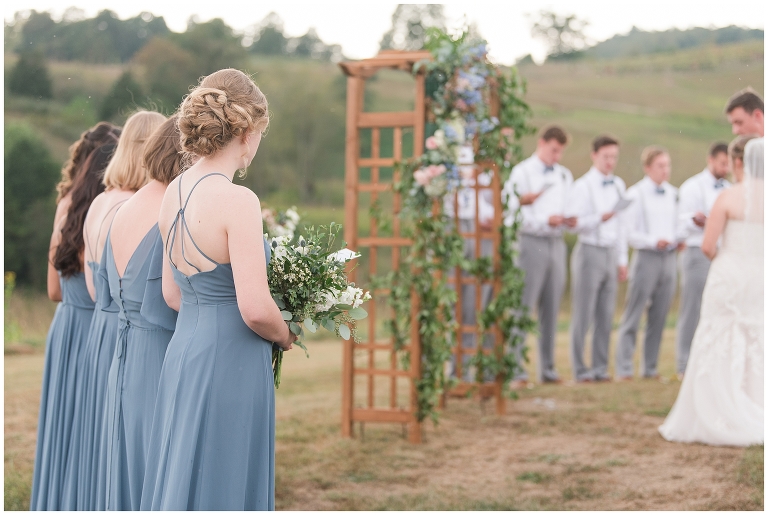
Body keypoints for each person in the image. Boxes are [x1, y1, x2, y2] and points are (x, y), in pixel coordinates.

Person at [141, 69, 296, 510]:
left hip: (182, 355)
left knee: (186, 471)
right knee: (225, 477)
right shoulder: (238, 201)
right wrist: (285, 334)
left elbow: (173, 295)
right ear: (246, 132)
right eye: (261, 133)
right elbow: (254, 308)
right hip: (231, 361)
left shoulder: (173, 192)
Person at [61, 111, 165, 510]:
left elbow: (92, 287)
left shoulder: (101, 202)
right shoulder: (138, 206)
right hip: (128, 332)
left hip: (101, 328)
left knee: (102, 441)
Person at [659, 136, 763, 447]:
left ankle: (715, 410)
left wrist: (729, 262)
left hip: (729, 274)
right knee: (755, 338)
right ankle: (756, 402)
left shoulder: (729, 197)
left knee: (716, 338)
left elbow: (707, 246)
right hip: (759, 276)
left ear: (738, 162)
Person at [30, 141, 116, 510]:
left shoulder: (66, 207)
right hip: (93, 329)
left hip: (64, 326)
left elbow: (53, 290)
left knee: (61, 425)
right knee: (86, 428)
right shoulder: (111, 214)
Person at [97, 111, 170, 510]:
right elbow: (175, 298)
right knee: (154, 464)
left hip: (124, 356)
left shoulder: (120, 210)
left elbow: (104, 293)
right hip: (158, 353)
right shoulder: (166, 212)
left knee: (128, 459)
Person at [502, 125, 575, 384]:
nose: (557, 156)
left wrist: (567, 220)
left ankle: (548, 369)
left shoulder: (565, 175)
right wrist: (544, 217)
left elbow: (568, 205)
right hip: (530, 241)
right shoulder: (522, 172)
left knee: (551, 306)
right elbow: (510, 210)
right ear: (542, 143)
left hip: (556, 242)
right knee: (524, 305)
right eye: (554, 150)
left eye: (560, 152)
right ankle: (516, 368)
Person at [565, 136, 628, 383]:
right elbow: (573, 223)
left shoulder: (619, 185)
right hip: (589, 250)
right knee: (583, 312)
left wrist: (622, 260)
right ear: (594, 156)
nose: (610, 162)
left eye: (614, 157)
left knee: (606, 313)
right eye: (606, 157)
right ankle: (580, 369)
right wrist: (598, 218)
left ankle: (600, 367)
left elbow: (621, 226)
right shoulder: (582, 186)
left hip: (610, 252)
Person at [615, 147, 681, 380]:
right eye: (660, 166)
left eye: (668, 165)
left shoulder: (674, 194)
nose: (666, 170)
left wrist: (676, 239)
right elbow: (628, 232)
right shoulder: (635, 194)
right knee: (633, 313)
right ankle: (624, 368)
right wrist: (654, 241)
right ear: (648, 168)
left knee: (660, 315)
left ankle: (650, 368)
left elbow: (679, 225)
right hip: (645, 257)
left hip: (669, 258)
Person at [675, 142, 730, 377]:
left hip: (722, 253)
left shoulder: (729, 188)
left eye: (728, 163)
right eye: (722, 163)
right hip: (697, 251)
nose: (725, 168)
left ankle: (711, 361)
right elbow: (681, 221)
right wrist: (696, 219)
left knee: (717, 308)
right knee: (692, 308)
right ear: (711, 160)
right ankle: (684, 364)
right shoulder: (693, 186)